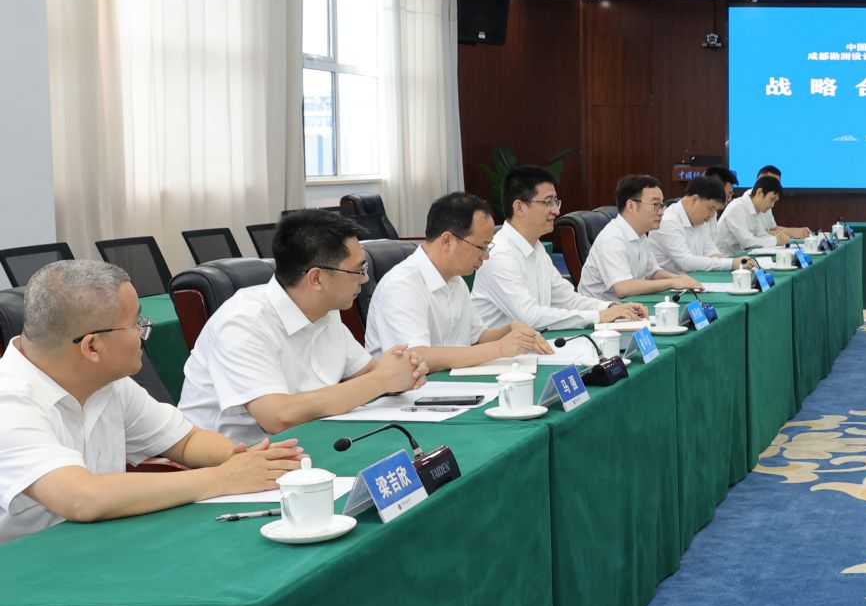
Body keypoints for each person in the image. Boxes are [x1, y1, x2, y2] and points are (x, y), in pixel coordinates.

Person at [0, 261, 304, 544]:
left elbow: (185, 441)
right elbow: (82, 497)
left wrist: (246, 460)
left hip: (96, 545)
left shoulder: (107, 383)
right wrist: (224, 477)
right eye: (135, 323)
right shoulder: (9, 402)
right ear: (92, 347)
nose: (145, 331)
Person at [181, 209, 426, 445]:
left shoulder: (325, 310)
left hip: (307, 444)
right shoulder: (242, 322)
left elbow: (370, 373)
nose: (365, 278)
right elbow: (278, 417)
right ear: (316, 278)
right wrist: (382, 380)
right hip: (232, 460)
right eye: (358, 270)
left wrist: (404, 372)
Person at [367, 192, 551, 369]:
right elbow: (416, 357)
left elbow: (477, 338)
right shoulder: (401, 285)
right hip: (414, 389)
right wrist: (499, 348)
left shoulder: (456, 280)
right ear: (447, 241)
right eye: (482, 247)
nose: (486, 256)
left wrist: (510, 330)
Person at [472, 165, 646, 333]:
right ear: (519, 207)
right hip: (500, 352)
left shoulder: (536, 248)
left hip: (533, 345)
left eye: (556, 202)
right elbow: (530, 317)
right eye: (548, 202)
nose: (556, 211)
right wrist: (598, 316)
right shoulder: (499, 254)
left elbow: (568, 300)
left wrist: (612, 307)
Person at [581, 175, 706, 300]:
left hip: (628, 305)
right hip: (601, 309)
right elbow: (623, 288)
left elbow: (652, 272)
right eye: (655, 204)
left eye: (661, 205)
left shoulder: (640, 234)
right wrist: (672, 283)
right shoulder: (612, 238)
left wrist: (678, 278)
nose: (661, 212)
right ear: (631, 206)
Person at [653, 175, 758, 275]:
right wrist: (731, 263)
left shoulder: (699, 220)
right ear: (695, 200)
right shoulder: (668, 221)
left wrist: (724, 261)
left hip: (691, 279)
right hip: (668, 285)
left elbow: (711, 251)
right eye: (711, 208)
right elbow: (686, 262)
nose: (712, 215)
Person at [718, 174, 792, 253]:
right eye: (771, 199)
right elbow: (748, 242)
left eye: (775, 201)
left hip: (739, 255)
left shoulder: (757, 209)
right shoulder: (737, 207)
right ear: (759, 192)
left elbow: (761, 235)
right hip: (723, 257)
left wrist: (779, 237)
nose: (772, 205)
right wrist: (775, 240)